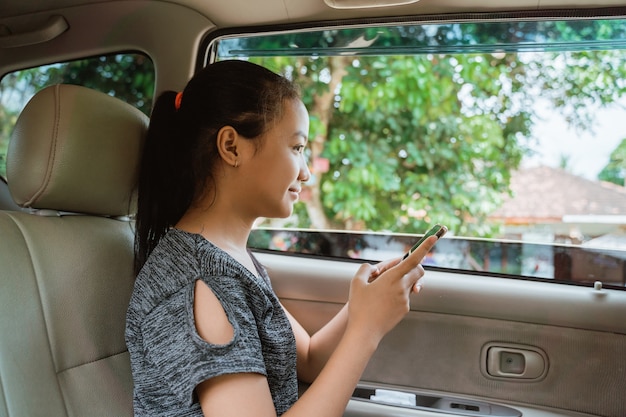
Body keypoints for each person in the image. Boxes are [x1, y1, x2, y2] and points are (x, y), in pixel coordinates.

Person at [125, 59, 439, 417]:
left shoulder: (230, 260)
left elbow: (305, 359)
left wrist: (361, 306)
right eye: (296, 148)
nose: (306, 173)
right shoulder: (202, 283)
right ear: (232, 147)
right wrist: (367, 329)